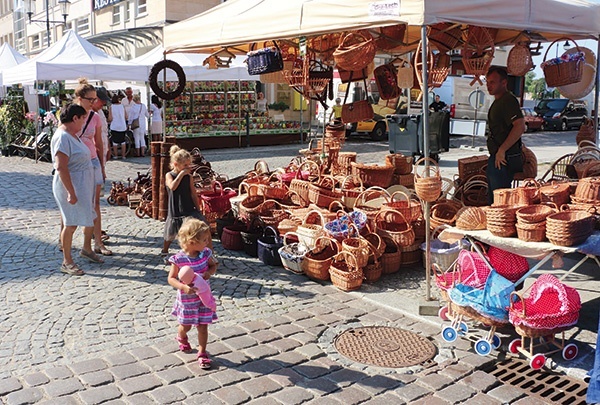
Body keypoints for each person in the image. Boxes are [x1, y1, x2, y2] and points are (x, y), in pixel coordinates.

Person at [167, 218, 218, 369]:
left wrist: (209, 273)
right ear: (191, 241)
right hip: (187, 299)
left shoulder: (206, 254)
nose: (207, 242)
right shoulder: (179, 259)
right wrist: (183, 287)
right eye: (204, 240)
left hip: (203, 298)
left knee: (203, 326)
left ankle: (202, 353)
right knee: (186, 325)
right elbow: (171, 279)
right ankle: (181, 336)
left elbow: (214, 265)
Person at [51, 103, 94, 276]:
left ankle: (86, 250)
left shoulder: (71, 134)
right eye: (83, 119)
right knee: (70, 223)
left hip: (80, 184)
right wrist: (71, 192)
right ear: (75, 118)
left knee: (79, 219)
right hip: (71, 185)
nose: (84, 122)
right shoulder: (63, 137)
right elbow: (61, 167)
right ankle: (67, 261)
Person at [74, 79, 111, 260]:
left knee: (95, 204)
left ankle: (97, 242)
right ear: (80, 98)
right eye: (91, 99)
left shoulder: (95, 117)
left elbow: (98, 144)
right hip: (76, 164)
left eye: (95, 99)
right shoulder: (70, 115)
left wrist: (102, 166)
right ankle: (63, 237)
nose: (94, 102)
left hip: (93, 161)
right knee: (72, 201)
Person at [161, 145, 211, 258]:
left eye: (189, 165)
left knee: (203, 228)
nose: (188, 167)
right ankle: (165, 250)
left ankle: (209, 254)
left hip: (189, 208)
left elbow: (193, 193)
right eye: (185, 165)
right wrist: (181, 174)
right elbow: (172, 187)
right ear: (176, 164)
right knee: (171, 233)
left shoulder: (189, 177)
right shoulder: (169, 175)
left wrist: (198, 209)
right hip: (176, 208)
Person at [485, 66, 525, 205]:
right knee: (495, 201)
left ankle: (501, 225)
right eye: (488, 82)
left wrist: (502, 150)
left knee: (500, 203)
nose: (489, 85)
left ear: (504, 83)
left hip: (503, 159)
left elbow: (520, 126)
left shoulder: (508, 100)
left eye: (493, 82)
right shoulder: (499, 101)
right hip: (497, 157)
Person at [108, 94, 128, 159]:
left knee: (115, 142)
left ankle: (116, 155)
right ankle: (123, 155)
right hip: (122, 126)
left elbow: (110, 118)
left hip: (114, 126)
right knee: (123, 141)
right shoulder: (122, 106)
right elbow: (126, 117)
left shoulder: (111, 107)